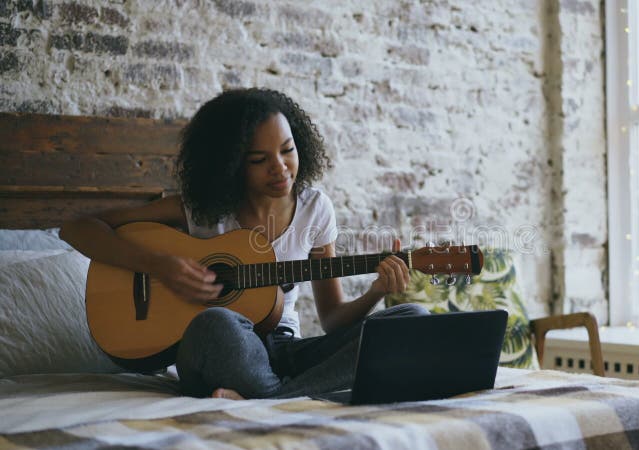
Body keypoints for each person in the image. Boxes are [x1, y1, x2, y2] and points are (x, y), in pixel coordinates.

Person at [60, 88, 428, 400]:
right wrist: (159, 265)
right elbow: (77, 228)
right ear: (232, 163)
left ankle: (269, 397)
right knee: (215, 321)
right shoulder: (201, 213)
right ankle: (293, 395)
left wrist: (377, 290)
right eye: (259, 159)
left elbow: (332, 320)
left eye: (287, 150)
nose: (280, 168)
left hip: (285, 350)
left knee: (413, 320)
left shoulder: (315, 209)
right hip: (221, 348)